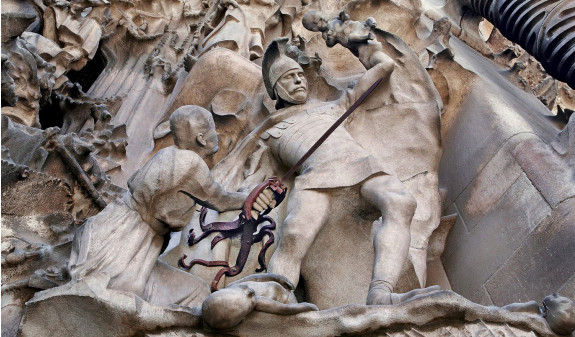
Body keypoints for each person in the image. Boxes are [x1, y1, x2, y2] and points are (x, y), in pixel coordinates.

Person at [253, 37, 436, 305]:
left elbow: (384, 68)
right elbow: (255, 177)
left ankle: (381, 292)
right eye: (289, 78)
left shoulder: (333, 108)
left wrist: (358, 42)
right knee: (294, 234)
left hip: (359, 166)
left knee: (401, 202)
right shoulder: (269, 133)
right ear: (276, 90)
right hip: (315, 180)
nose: (299, 81)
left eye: (299, 75)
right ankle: (276, 297)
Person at [68, 105, 272, 307]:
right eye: (213, 130)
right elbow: (220, 199)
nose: (217, 135)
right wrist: (249, 195)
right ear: (201, 138)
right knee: (126, 298)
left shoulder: (167, 153)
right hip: (129, 245)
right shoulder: (192, 163)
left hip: (111, 228)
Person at [202, 273, 319, 329]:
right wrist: (306, 306)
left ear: (224, 290)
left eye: (242, 290)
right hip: (287, 299)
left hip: (281, 285)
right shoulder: (258, 303)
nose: (250, 292)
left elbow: (256, 278)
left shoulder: (232, 285)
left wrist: (276, 278)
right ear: (243, 317)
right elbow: (284, 309)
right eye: (250, 300)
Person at [302, 10, 389, 70]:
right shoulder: (326, 34)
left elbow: (345, 18)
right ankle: (367, 36)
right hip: (353, 42)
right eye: (320, 20)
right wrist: (330, 37)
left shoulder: (333, 20)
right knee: (351, 37)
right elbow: (330, 44)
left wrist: (343, 16)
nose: (324, 19)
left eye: (322, 16)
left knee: (368, 20)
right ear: (315, 29)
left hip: (357, 27)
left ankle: (370, 24)